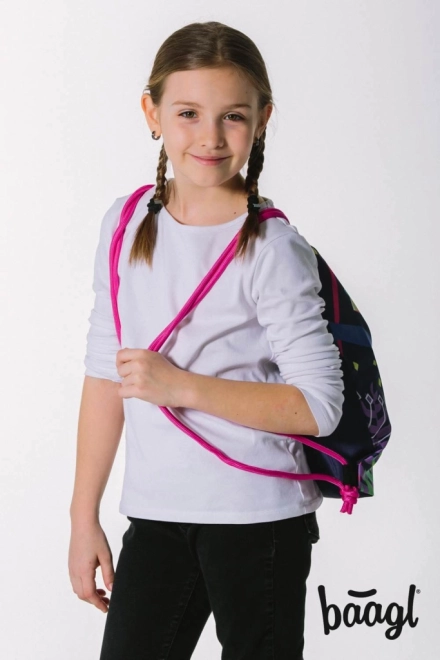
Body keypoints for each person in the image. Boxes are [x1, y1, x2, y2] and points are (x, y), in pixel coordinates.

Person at [68, 20, 345, 660]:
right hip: (157, 515)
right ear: (153, 113)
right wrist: (84, 519)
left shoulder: (273, 248)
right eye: (189, 113)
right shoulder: (123, 223)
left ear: (263, 119)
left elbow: (319, 406)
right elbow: (105, 373)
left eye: (234, 117)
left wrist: (181, 387)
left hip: (259, 518)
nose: (211, 137)